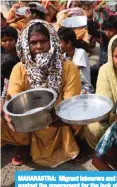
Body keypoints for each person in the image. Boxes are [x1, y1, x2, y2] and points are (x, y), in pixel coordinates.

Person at [1, 20, 82, 167]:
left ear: (52, 41)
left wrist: (53, 115)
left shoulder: (68, 66)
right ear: (27, 45)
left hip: (58, 120)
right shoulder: (20, 68)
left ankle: (65, 144)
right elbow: (14, 96)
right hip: (27, 120)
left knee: (81, 116)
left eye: (43, 41)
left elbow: (71, 100)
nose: (39, 46)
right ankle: (26, 144)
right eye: (33, 42)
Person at [58, 27, 94, 94]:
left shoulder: (81, 53)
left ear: (68, 43)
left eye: (59, 42)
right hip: (70, 87)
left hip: (84, 88)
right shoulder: (63, 56)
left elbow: (72, 72)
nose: (58, 45)